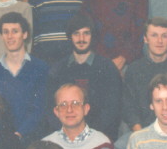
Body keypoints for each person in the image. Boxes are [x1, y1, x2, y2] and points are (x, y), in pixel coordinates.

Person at [45, 11, 122, 141]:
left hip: (99, 136)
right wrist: (68, 133)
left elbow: (112, 110)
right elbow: (50, 108)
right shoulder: (58, 69)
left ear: (93, 36)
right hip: (65, 136)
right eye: (76, 34)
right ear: (70, 37)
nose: (81, 39)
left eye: (86, 33)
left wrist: (88, 135)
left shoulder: (107, 68)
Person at [0, 12, 49, 142]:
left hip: (33, 137)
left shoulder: (41, 67)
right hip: (0, 139)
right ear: (1, 36)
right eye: (5, 32)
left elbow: (41, 108)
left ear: (25, 34)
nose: (10, 36)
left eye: (15, 31)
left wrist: (20, 134)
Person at [122, 17, 167, 134]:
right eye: (154, 35)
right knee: (120, 147)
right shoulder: (134, 69)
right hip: (142, 131)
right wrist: (141, 134)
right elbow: (129, 108)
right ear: (145, 39)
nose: (159, 41)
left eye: (164, 36)